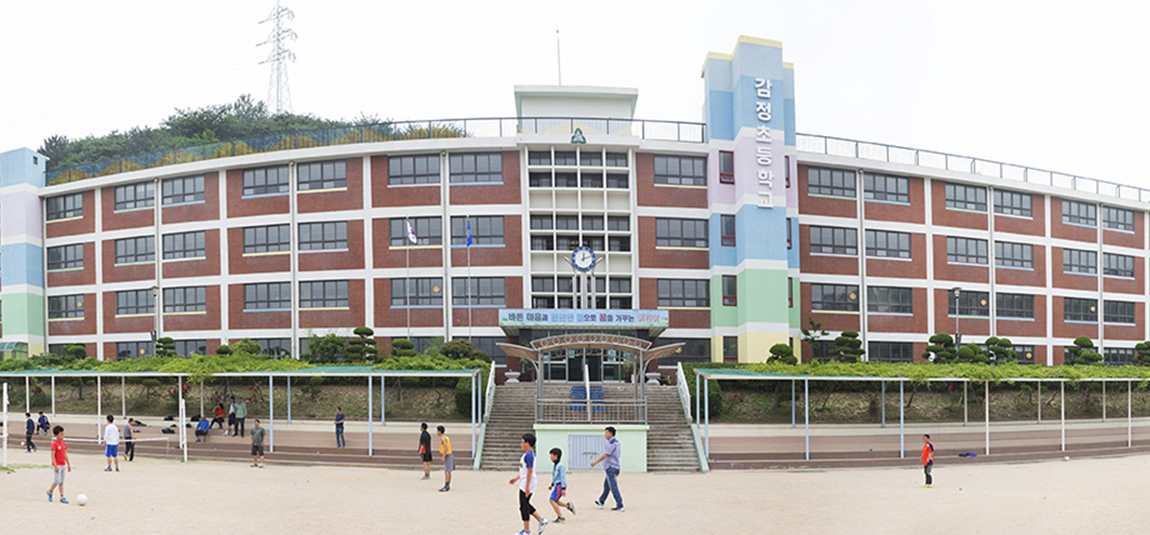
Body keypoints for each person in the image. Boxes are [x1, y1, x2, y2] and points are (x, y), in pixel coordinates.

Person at [509, 433, 547, 535]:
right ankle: (541, 520)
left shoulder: (529, 455)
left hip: (527, 483)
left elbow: (530, 472)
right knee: (525, 504)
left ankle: (526, 530)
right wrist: (516, 478)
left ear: (528, 443)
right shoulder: (527, 454)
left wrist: (527, 487)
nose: (521, 444)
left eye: (522, 442)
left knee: (524, 506)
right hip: (525, 482)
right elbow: (524, 471)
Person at [591, 426, 624, 512]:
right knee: (607, 486)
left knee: (613, 487)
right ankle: (601, 501)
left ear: (611, 434)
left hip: (611, 468)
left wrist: (595, 462)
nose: (605, 434)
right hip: (614, 467)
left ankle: (620, 505)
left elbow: (605, 455)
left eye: (606, 433)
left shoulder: (611, 443)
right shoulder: (616, 442)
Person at [548, 447, 575, 523]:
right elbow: (555, 476)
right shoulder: (555, 465)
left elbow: (563, 477)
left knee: (552, 500)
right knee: (555, 500)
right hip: (557, 485)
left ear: (556, 456)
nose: (550, 457)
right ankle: (568, 506)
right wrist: (552, 484)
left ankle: (561, 517)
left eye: (551, 455)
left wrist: (563, 488)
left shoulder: (561, 466)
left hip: (560, 485)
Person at [47, 425, 71, 504]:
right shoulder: (54, 444)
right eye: (61, 434)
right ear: (56, 435)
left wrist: (68, 464)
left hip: (63, 465)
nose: (62, 436)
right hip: (57, 465)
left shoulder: (63, 444)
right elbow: (52, 456)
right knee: (57, 480)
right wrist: (55, 465)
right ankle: (50, 491)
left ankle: (62, 496)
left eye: (63, 434)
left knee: (61, 482)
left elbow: (65, 454)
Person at [437, 425, 453, 492]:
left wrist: (443, 456)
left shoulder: (443, 438)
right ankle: (447, 485)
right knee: (448, 471)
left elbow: (446, 447)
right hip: (449, 455)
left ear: (440, 431)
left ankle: (446, 485)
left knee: (446, 471)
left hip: (447, 455)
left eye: (437, 431)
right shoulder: (446, 437)